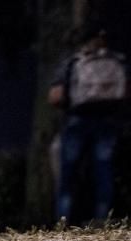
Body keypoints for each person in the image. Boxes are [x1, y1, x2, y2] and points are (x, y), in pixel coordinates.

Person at [50, 24, 129, 223]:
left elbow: (55, 97)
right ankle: (102, 219)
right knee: (104, 170)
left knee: (68, 173)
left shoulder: (74, 61)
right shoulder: (119, 61)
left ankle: (63, 220)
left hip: (78, 120)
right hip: (108, 121)